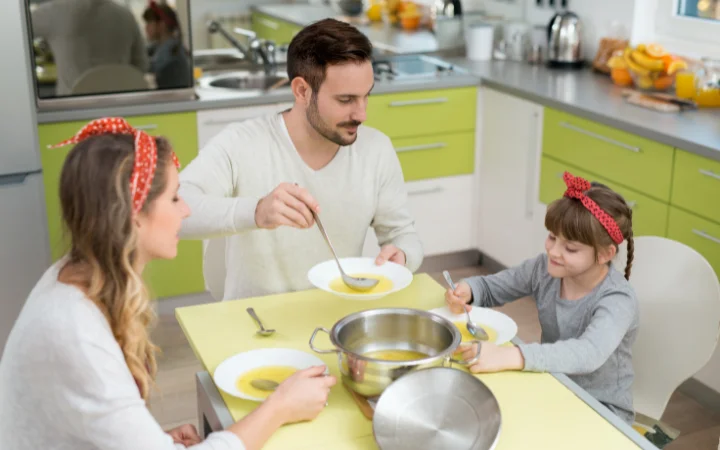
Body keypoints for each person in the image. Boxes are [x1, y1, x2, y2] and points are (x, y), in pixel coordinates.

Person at [0, 118, 336, 449]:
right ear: (134, 215)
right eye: (175, 198)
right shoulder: (74, 333)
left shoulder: (76, 277)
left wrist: (150, 437)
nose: (186, 210)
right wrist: (279, 408)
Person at [179, 18, 423, 300]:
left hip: (336, 318)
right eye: (346, 100)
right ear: (302, 91)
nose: (361, 114)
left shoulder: (376, 149)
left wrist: (402, 256)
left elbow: (403, 235)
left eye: (366, 97)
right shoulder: (241, 142)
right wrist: (256, 211)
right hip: (254, 322)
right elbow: (179, 207)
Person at [446, 172, 639, 425]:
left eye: (570, 248)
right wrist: (468, 289)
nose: (554, 251)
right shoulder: (544, 269)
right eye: (552, 237)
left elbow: (588, 353)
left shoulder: (618, 299)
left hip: (602, 412)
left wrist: (512, 355)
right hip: (554, 385)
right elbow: (494, 287)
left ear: (604, 254)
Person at [30, 0, 149, 96]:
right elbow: (141, 66)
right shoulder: (126, 15)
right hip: (122, 110)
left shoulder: (54, 12)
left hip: (71, 112)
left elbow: (15, 32)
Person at [142, 1, 193, 89]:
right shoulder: (162, 45)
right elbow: (146, 50)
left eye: (149, 23)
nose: (146, 27)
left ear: (161, 25)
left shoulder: (171, 49)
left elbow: (147, 66)